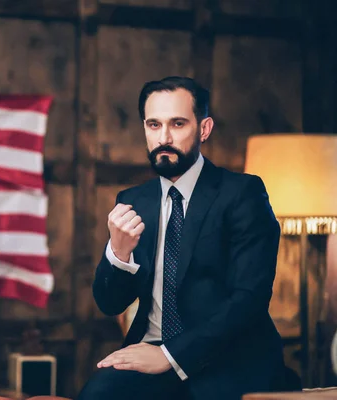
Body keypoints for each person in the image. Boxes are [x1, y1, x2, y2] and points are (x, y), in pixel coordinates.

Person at [78, 76, 293, 400]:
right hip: (148, 354)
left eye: (177, 124)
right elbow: (109, 304)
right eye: (153, 125)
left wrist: (170, 355)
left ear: (204, 129)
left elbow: (249, 298)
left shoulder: (242, 194)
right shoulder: (133, 199)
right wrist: (118, 255)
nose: (164, 137)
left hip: (226, 356)